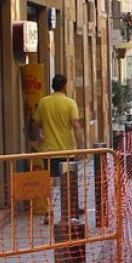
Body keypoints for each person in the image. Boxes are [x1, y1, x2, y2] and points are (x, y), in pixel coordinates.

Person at [30, 75, 83, 221]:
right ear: (65, 86)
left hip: (49, 150)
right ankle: (70, 212)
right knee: (68, 183)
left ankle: (49, 211)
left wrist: (39, 137)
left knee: (51, 181)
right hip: (67, 150)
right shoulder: (70, 103)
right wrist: (80, 147)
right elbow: (76, 126)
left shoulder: (44, 102)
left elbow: (35, 122)